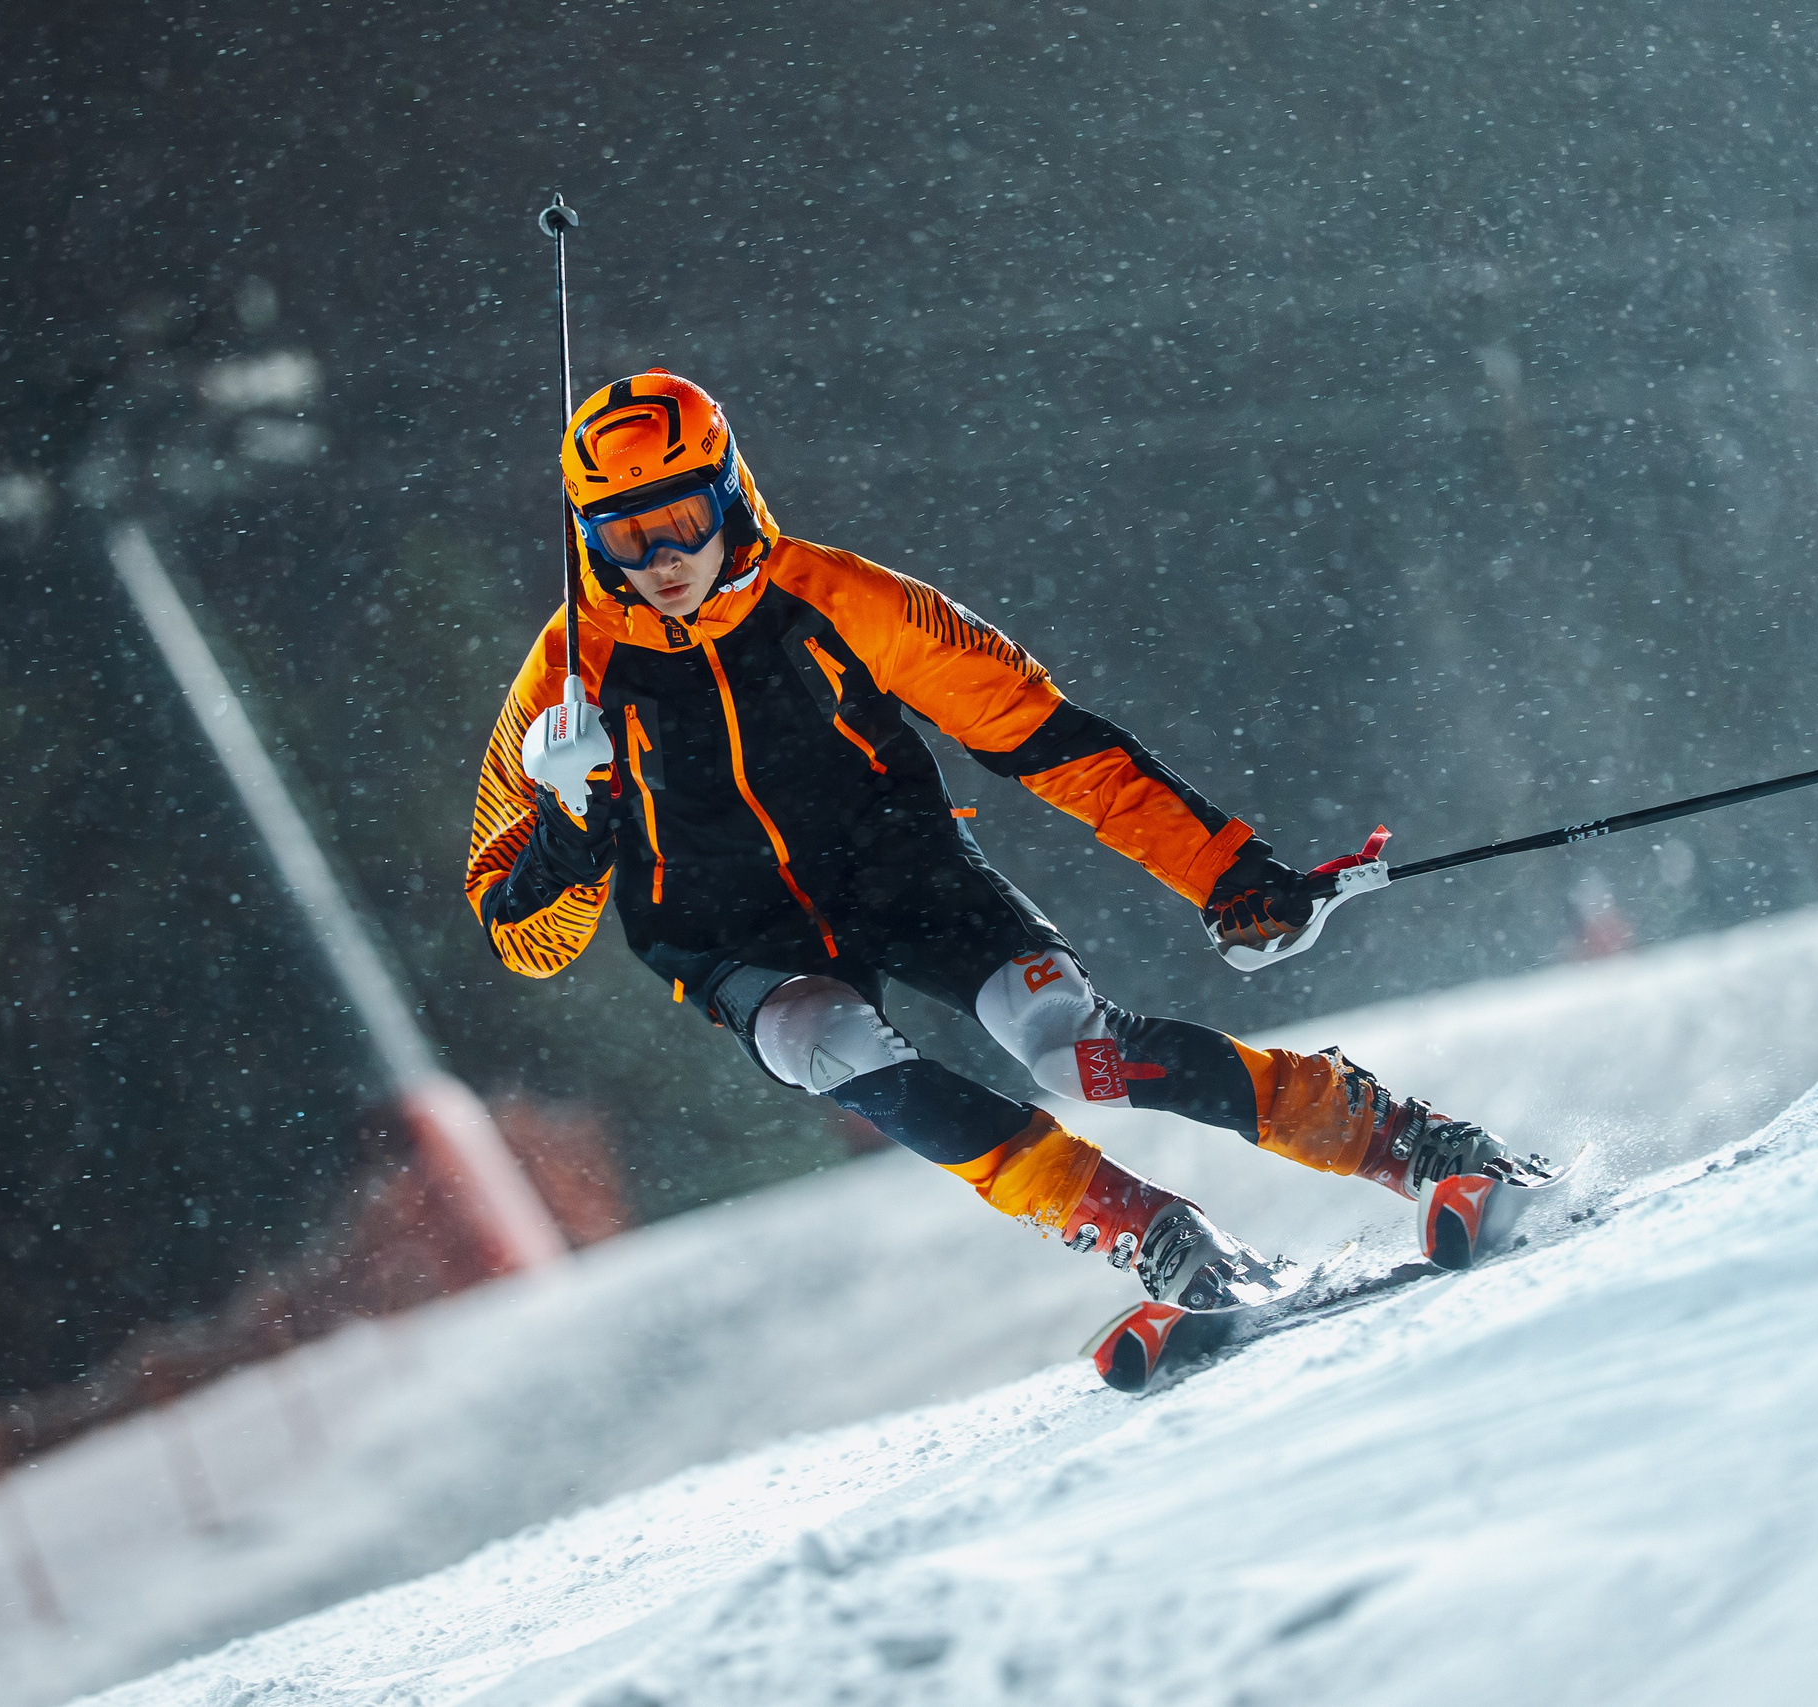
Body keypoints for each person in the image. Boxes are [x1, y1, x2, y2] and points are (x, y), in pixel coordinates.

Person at [466, 371, 1549, 1308]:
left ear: (729, 493)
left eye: (681, 520)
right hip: (730, 933)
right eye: (623, 534)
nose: (660, 559)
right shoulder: (565, 678)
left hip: (906, 877)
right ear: (586, 535)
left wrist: (1224, 873)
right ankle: (1157, 1236)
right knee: (822, 1047)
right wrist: (571, 813)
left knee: (1076, 1053)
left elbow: (1044, 738)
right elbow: (521, 932)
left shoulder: (845, 598)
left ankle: (1407, 1142)